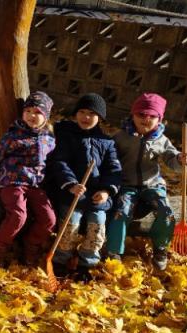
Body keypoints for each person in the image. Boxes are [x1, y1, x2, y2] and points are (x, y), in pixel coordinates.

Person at [106, 93, 187, 270]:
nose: (146, 119)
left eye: (152, 116)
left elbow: (172, 159)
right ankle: (114, 251)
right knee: (121, 212)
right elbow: (108, 159)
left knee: (166, 213)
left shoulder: (161, 140)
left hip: (152, 185)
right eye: (141, 114)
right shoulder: (121, 137)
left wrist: (182, 160)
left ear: (159, 119)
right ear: (132, 115)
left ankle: (160, 248)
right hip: (126, 185)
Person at [47, 93, 122, 278]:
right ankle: (60, 260)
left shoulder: (107, 142)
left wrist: (106, 191)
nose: (86, 117)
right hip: (71, 194)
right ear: (75, 113)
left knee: (97, 226)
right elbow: (60, 162)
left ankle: (86, 264)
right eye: (82, 112)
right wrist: (71, 184)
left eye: (92, 114)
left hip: (96, 198)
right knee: (70, 225)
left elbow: (114, 169)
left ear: (100, 118)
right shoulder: (66, 136)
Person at [0, 91, 57, 266]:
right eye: (28, 111)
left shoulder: (49, 138)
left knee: (49, 219)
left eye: (38, 112)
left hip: (35, 185)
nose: (32, 115)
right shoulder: (14, 135)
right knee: (18, 215)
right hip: (12, 181)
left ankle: (30, 245)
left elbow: (52, 161)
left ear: (46, 116)